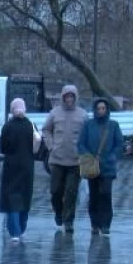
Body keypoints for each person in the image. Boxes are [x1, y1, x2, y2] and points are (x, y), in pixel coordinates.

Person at [42, 84, 87, 234]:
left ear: (75, 98)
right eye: (67, 96)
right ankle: (59, 213)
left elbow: (88, 135)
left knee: (71, 193)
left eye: (72, 96)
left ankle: (68, 221)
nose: (69, 99)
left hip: (75, 161)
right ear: (63, 97)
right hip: (57, 160)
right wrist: (50, 146)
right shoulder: (54, 113)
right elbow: (46, 130)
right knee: (55, 191)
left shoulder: (83, 115)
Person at [77, 98, 124, 236]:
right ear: (95, 110)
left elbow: (119, 143)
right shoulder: (88, 125)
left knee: (106, 194)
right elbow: (81, 143)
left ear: (107, 110)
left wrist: (112, 156)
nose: (101, 111)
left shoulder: (113, 125)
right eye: (98, 108)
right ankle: (95, 223)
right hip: (91, 165)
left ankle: (106, 224)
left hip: (108, 166)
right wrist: (87, 156)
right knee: (94, 195)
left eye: (103, 108)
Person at [0, 98, 35, 243]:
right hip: (28, 166)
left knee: (13, 198)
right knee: (25, 196)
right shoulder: (30, 125)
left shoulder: (8, 126)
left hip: (11, 167)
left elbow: (3, 148)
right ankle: (22, 227)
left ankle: (15, 231)